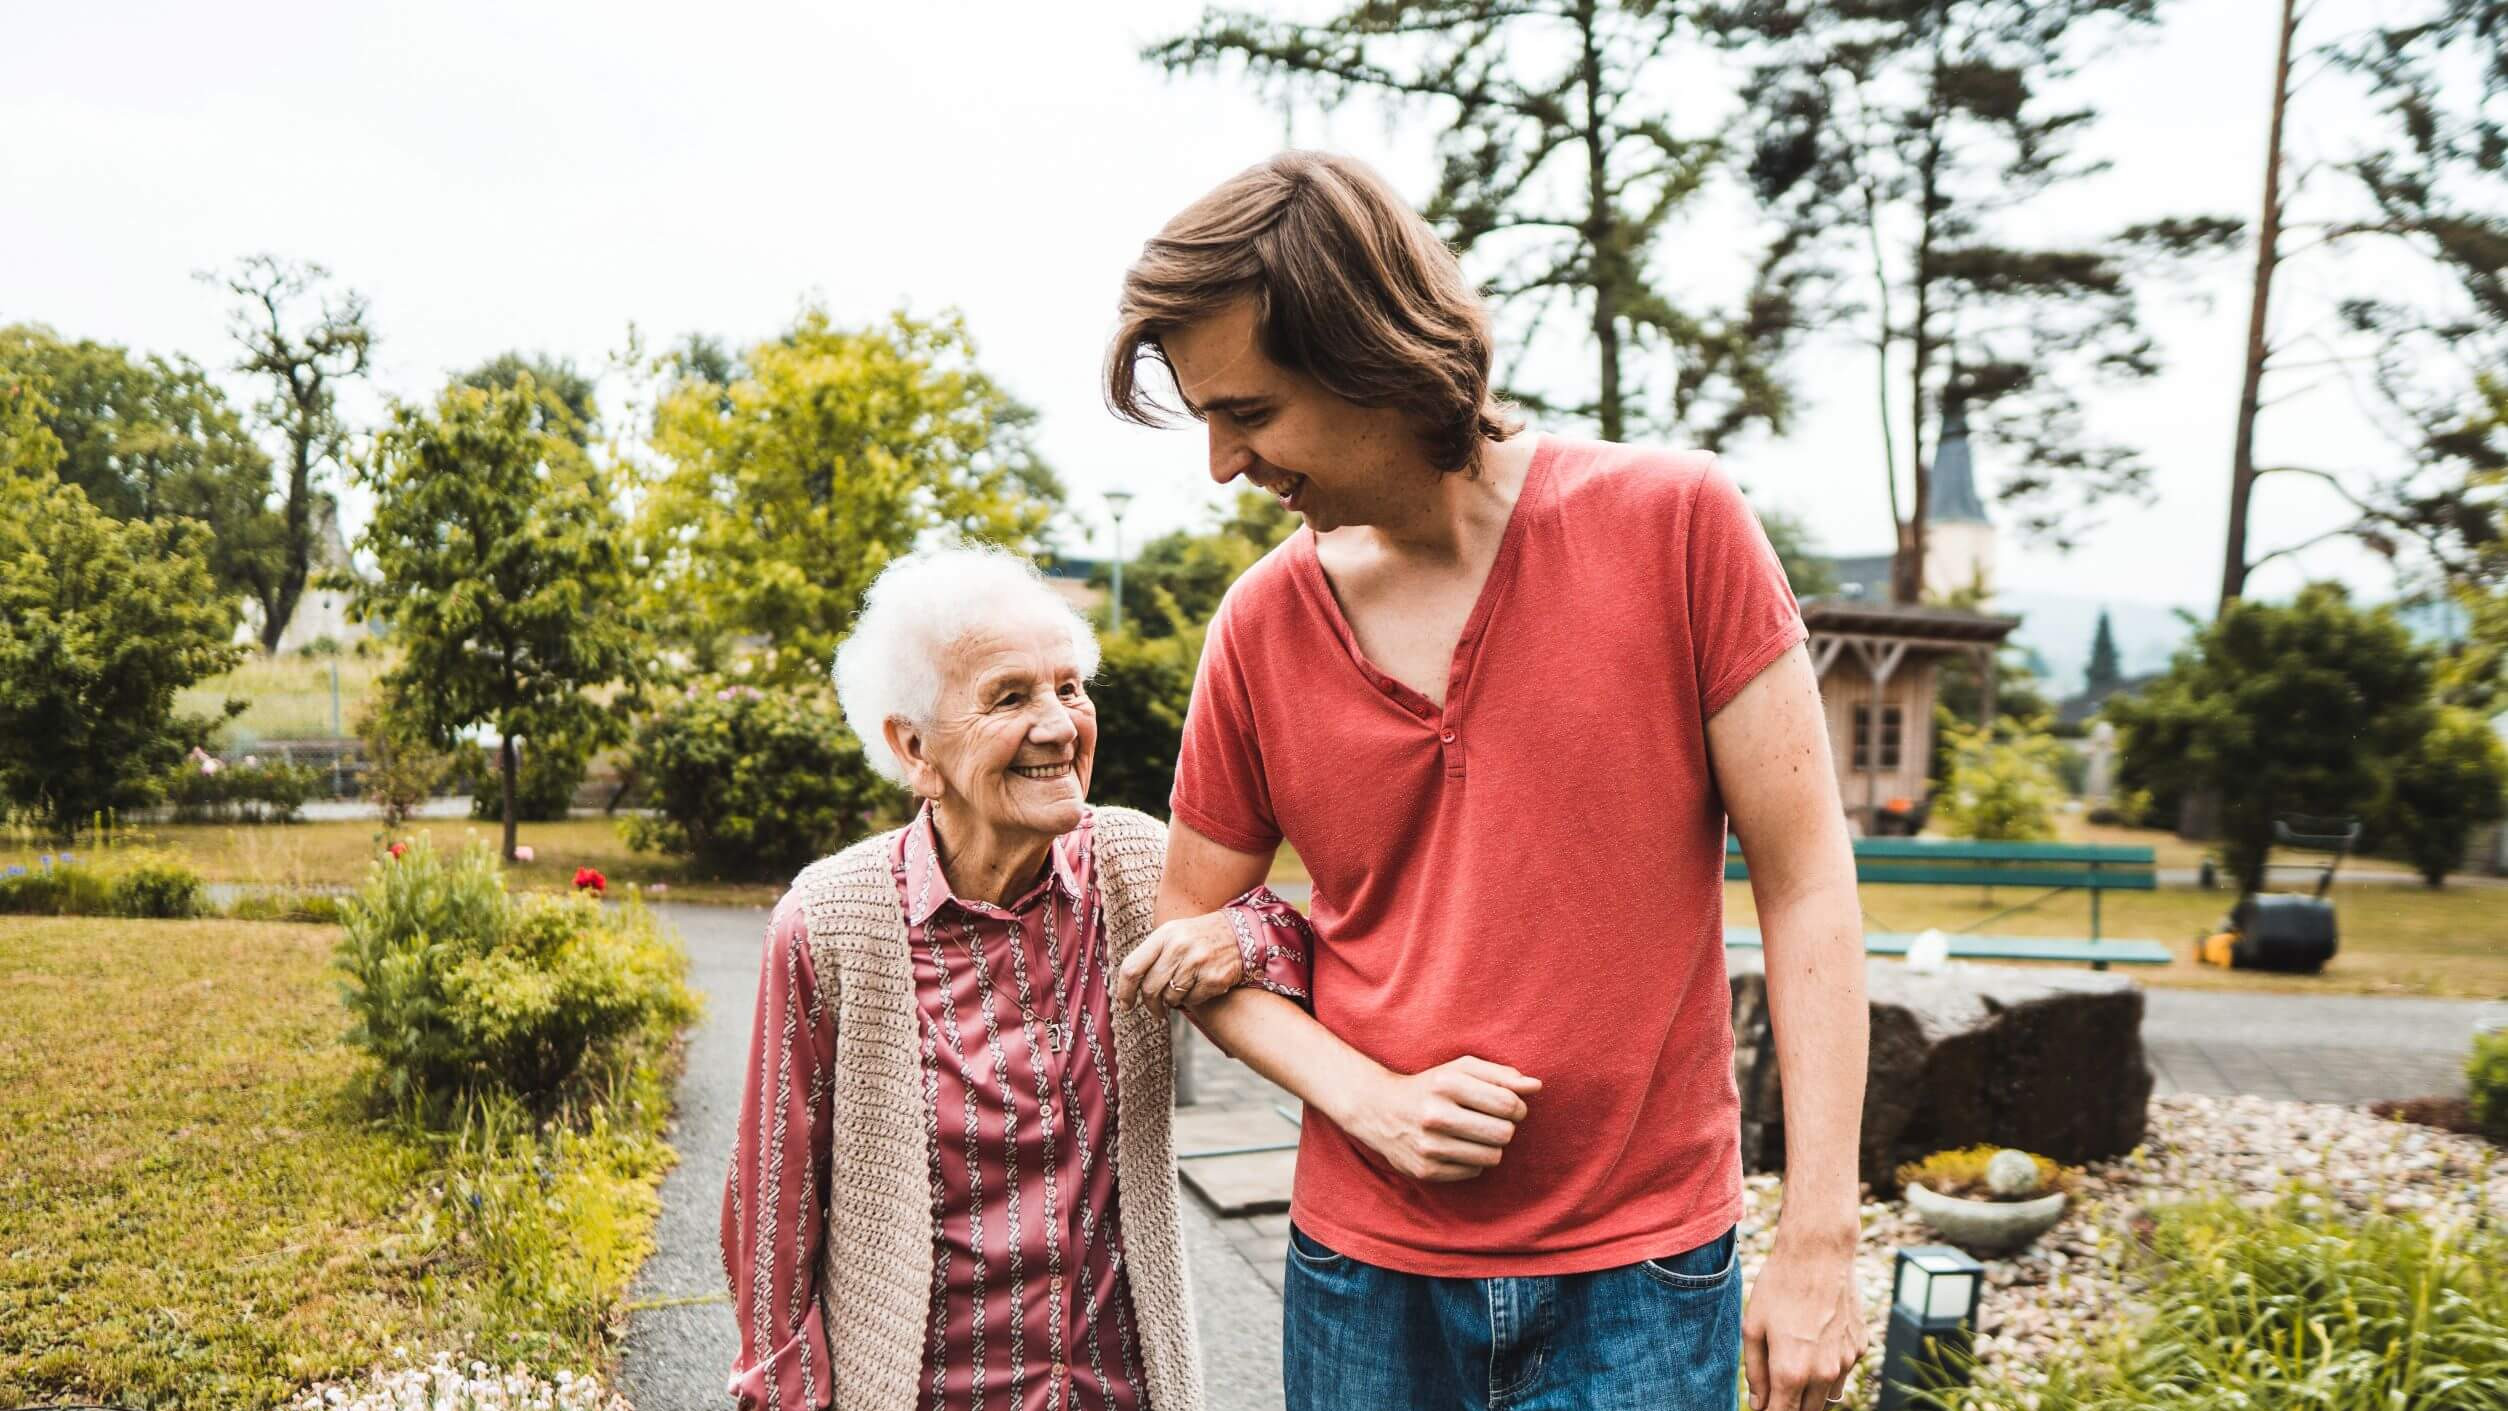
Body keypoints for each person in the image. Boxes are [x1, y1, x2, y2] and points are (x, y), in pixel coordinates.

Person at [1106, 151, 1871, 1411]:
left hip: (1644, 1278)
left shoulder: (1677, 525)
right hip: (1363, 1282)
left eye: (1247, 411)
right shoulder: (1259, 626)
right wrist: (1373, 1099)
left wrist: (1820, 1237)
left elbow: (1807, 885)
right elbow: (1181, 935)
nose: (1223, 464)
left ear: (1370, 355)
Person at [720, 543, 1315, 1411]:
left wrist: (1236, 935)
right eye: (1010, 697)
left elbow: (1297, 941)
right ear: (914, 746)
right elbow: (773, 1210)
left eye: (1069, 687)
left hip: (1124, 1390)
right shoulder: (831, 921)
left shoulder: (1134, 861)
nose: (1058, 724)